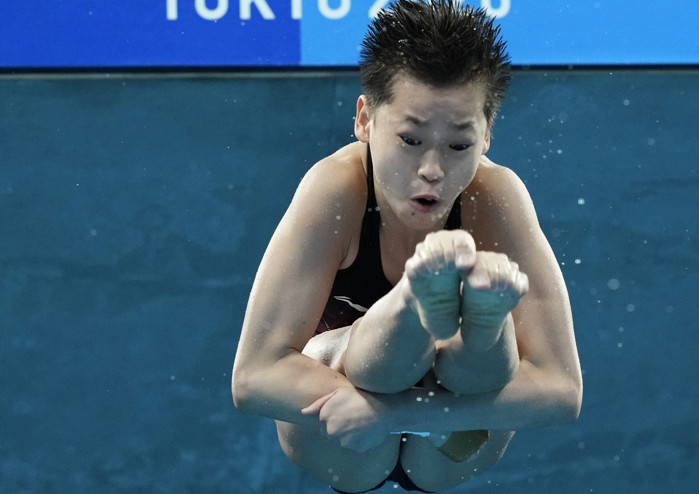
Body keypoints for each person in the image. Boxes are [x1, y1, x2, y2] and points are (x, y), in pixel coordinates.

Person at [232, 1, 582, 492]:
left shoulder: (496, 197)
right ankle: (418, 303)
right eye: (411, 140)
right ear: (364, 120)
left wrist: (393, 412)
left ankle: (470, 322)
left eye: (459, 145)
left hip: (446, 440)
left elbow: (562, 390)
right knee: (344, 350)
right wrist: (385, 409)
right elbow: (253, 378)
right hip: (345, 437)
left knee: (480, 353)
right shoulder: (337, 188)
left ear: (487, 135)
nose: (433, 170)